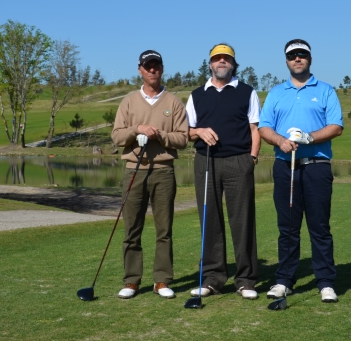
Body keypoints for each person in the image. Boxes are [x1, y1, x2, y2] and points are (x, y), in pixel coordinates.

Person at [258, 39, 343, 303]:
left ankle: (325, 282)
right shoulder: (276, 93)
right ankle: (284, 280)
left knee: (319, 227)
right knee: (288, 228)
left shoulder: (326, 90)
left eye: (302, 55)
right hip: (285, 167)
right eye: (293, 55)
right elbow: (264, 128)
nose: (297, 59)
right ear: (286, 61)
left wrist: (309, 137)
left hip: (317, 167)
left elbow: (336, 126)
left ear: (310, 59)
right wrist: (280, 141)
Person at [186, 43, 261, 300]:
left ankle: (246, 279)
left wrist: (251, 159)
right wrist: (199, 132)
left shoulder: (247, 92)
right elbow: (186, 131)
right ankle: (213, 278)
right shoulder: (197, 95)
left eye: (226, 59)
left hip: (239, 161)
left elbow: (255, 130)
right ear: (209, 64)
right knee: (210, 220)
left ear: (233, 63)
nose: (221, 62)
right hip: (206, 161)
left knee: (242, 221)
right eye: (217, 59)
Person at [111, 50, 188, 300]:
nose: (152, 70)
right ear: (140, 70)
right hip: (134, 170)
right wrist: (137, 129)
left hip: (164, 172)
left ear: (161, 69)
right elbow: (117, 136)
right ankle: (132, 281)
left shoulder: (173, 102)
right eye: (148, 66)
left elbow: (183, 139)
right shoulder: (129, 102)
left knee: (164, 229)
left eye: (156, 66)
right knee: (132, 228)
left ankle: (162, 280)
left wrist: (159, 136)